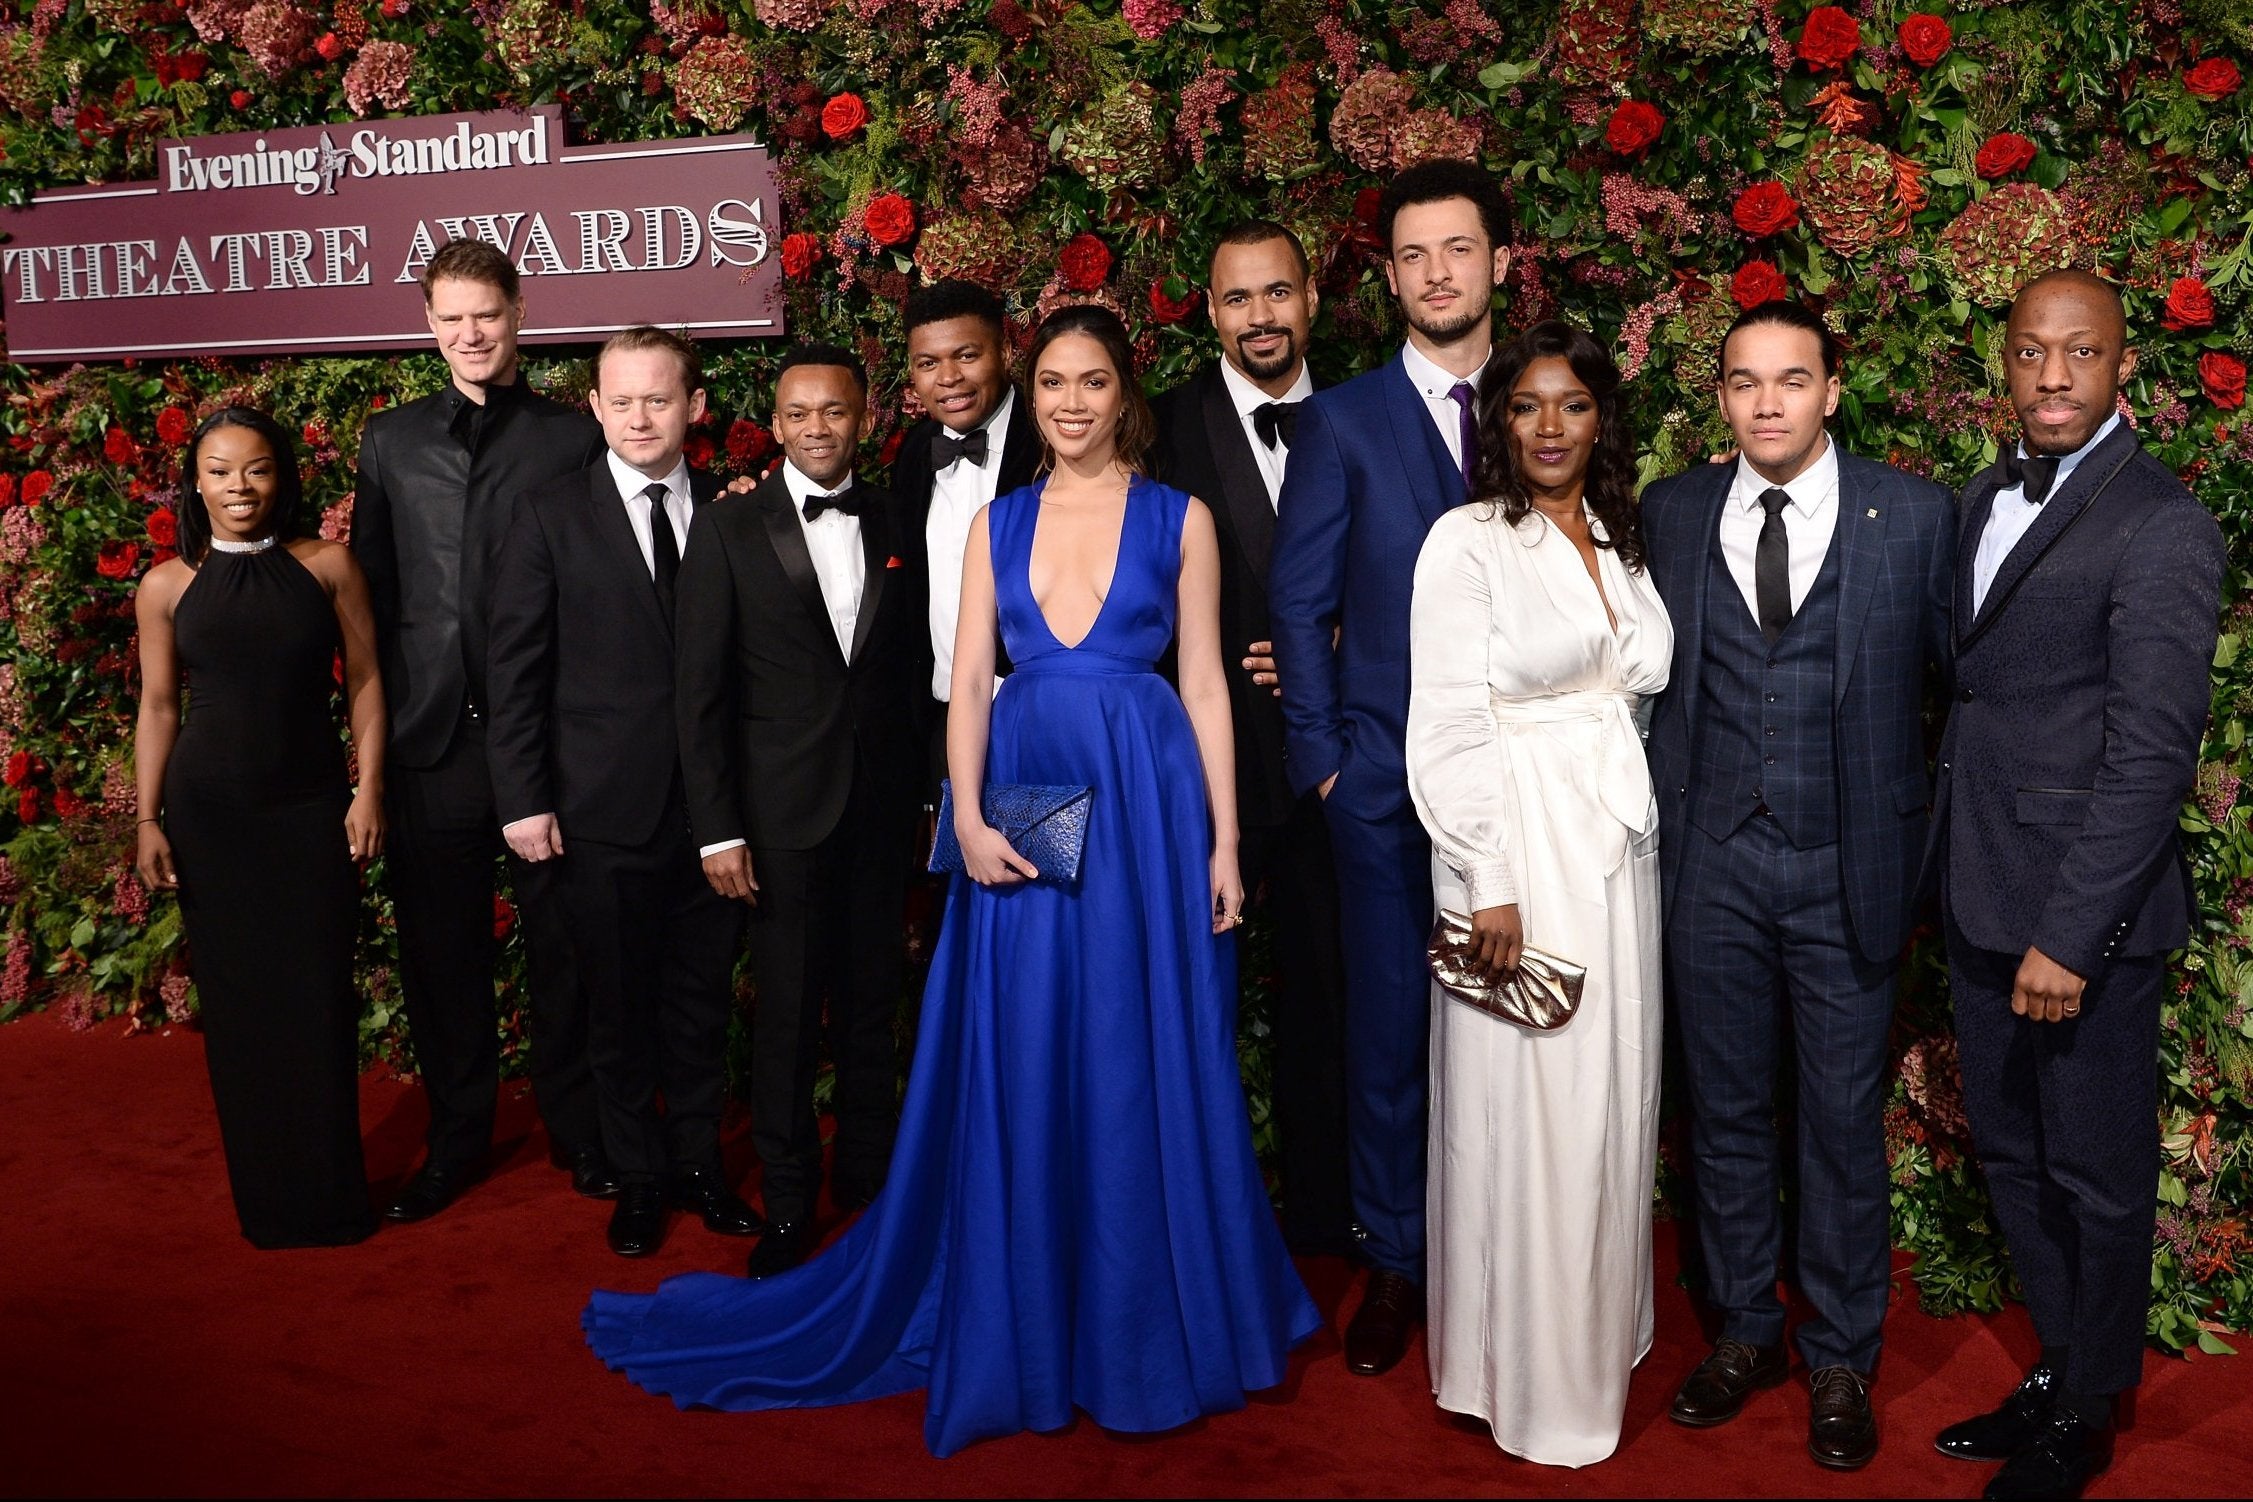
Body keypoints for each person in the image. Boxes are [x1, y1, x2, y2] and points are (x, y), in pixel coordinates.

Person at [584, 304, 1319, 1457]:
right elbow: (969, 679)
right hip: (1023, 794)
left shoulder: (1184, 520)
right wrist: (967, 817)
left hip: (1148, 799)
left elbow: (1212, 688)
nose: (1072, 402)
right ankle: (1028, 1296)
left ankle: (1143, 1312)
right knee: (1028, 1045)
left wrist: (1225, 843)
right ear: (1036, 395)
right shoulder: (995, 523)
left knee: (1142, 1048)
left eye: (1093, 382)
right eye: (1056, 383)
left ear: (1126, 392)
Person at [1641, 300, 1954, 1469]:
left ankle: (1839, 1354)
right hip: (1710, 857)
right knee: (1720, 1114)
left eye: (1790, 379)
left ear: (1832, 389)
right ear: (1721, 396)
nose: (1766, 401)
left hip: (1847, 863)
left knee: (1836, 1122)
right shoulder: (1670, 512)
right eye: (1743, 381)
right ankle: (1744, 1331)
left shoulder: (1915, 515)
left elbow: (1962, 690)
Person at [1929, 270, 2222, 1502]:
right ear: (2004, 361)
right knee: (2011, 1159)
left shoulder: (2162, 523)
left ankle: (2092, 1412)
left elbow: (2153, 752)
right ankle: (2061, 1364)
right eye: (2032, 352)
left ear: (2119, 370)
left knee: (2097, 1176)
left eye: (2081, 353)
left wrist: (2073, 933)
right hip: (1975, 891)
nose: (2053, 376)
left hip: (2076, 921)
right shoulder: (1978, 499)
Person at [1404, 322, 1672, 1465]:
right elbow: (1449, 718)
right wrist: (1487, 881)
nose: (1551, 427)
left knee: (1613, 1098)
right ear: (1498, 424)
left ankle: (1594, 1332)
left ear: (1598, 418)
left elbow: (1637, 695)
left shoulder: (1620, 536)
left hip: (1618, 844)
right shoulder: (1466, 541)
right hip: (1518, 845)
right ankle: (1521, 1371)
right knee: (1530, 1108)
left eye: (1571, 404)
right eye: (1527, 406)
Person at [1269, 157, 1513, 1374]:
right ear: (1389, 278)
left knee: (1523, 1028)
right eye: (1413, 256)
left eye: (1456, 250)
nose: (1435, 274)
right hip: (1381, 786)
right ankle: (1397, 1258)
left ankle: (1509, 1252)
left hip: (1530, 793)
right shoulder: (1343, 419)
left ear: (1498, 263)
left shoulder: (1547, 397)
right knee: (1389, 1029)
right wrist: (1325, 761)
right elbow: (1299, 596)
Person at [484, 327, 759, 1259]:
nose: (640, 417)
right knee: (616, 1009)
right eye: (621, 400)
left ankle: (699, 1169)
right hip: (598, 813)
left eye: (658, 398)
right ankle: (637, 1178)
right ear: (594, 408)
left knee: (699, 1005)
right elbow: (514, 669)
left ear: (694, 407)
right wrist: (523, 800)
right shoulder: (548, 512)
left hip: (715, 818)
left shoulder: (734, 511)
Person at [351, 237, 610, 1221]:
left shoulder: (570, 436)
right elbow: (369, 602)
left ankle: (580, 1129)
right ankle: (457, 1136)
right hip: (430, 745)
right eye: (451, 316)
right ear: (428, 322)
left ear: (518, 313)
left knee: (564, 945)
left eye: (487, 315)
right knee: (441, 956)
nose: (470, 332)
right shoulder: (390, 440)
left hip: (542, 742)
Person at [673, 344, 929, 1276]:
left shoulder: (896, 513)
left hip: (879, 810)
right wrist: (718, 827)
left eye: (835, 412)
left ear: (863, 419)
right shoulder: (729, 528)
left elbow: (904, 674)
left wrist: (926, 797)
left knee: (870, 1005)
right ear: (773, 425)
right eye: (799, 414)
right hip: (776, 821)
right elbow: (697, 691)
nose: (817, 428)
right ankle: (788, 1204)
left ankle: (865, 1182)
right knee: (783, 1018)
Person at [132, 408, 387, 1249]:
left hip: (310, 809)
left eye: (256, 469)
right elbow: (160, 705)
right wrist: (146, 816)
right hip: (211, 818)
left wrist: (367, 789)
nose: (238, 487)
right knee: (241, 1017)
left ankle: (330, 1196)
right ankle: (270, 1205)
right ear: (194, 484)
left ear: (281, 477)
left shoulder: (327, 566)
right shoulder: (166, 586)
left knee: (317, 1001)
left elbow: (366, 685)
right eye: (219, 470)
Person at [1149, 220, 1352, 1256]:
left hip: (1332, 769)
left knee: (1329, 1001)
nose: (1260, 316)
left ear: (1310, 299)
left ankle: (1326, 1226)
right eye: (1237, 298)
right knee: (1186, 1005)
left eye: (1278, 293)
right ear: (1211, 311)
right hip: (1196, 770)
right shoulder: (1161, 425)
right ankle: (1194, 1223)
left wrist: (1346, 642)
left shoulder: (1368, 416)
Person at [891, 278, 1041, 797]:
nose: (948, 378)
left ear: (1003, 351)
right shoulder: (915, 453)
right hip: (943, 716)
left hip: (1038, 709)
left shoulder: (1053, 439)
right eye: (928, 363)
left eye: (966, 355)